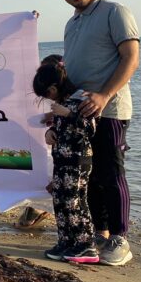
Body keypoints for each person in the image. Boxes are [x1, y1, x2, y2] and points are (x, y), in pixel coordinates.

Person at [56, 0, 139, 266]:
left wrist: (104, 96)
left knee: (111, 172)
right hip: (79, 113)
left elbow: (131, 58)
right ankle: (100, 233)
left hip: (110, 110)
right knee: (88, 176)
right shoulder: (71, 23)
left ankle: (120, 239)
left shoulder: (114, 12)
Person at [32, 61, 99, 263]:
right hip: (61, 159)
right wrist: (50, 132)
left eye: (47, 94)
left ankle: (86, 245)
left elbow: (90, 128)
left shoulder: (82, 98)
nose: (47, 98)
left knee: (74, 201)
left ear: (53, 88)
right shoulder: (62, 102)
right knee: (59, 200)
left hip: (77, 161)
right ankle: (66, 241)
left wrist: (68, 114)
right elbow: (61, 127)